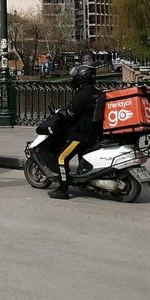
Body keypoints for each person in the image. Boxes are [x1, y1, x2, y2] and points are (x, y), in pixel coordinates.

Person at [49, 64, 100, 200]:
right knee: (83, 159)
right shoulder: (96, 91)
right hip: (93, 133)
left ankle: (63, 190)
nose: (73, 80)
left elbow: (71, 114)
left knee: (61, 158)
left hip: (80, 135)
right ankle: (84, 183)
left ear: (81, 78)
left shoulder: (83, 95)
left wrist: (60, 111)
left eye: (75, 77)